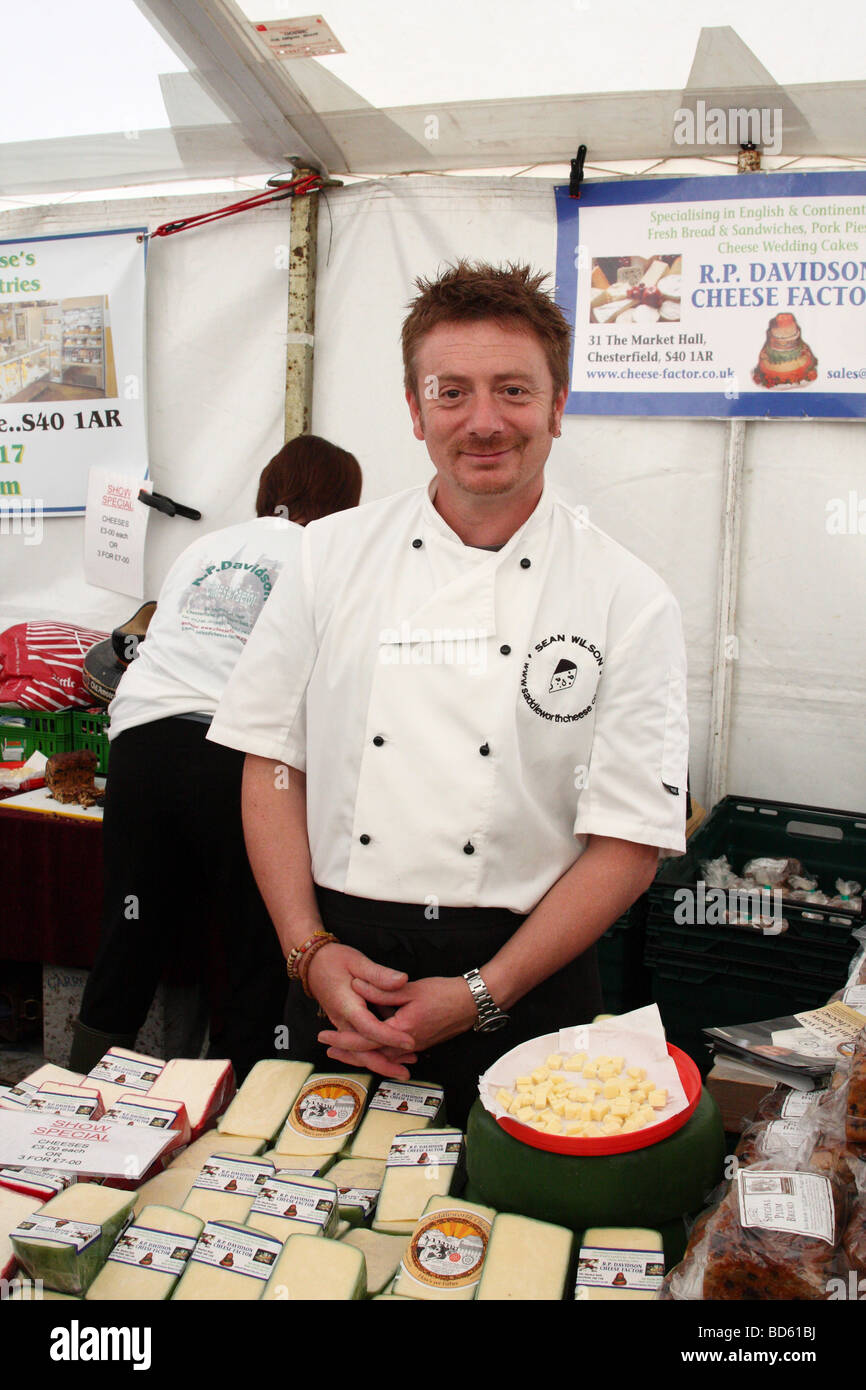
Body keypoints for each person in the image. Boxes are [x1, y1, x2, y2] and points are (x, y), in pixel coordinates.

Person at [209, 262, 689, 1125]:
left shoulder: (629, 597)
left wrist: (482, 993)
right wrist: (308, 951)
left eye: (513, 389)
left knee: (513, 1236)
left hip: (526, 979)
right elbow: (270, 764)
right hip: (341, 974)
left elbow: (628, 844)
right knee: (320, 1225)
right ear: (414, 406)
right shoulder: (328, 557)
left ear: (558, 405)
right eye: (452, 392)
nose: (484, 421)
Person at [69, 435, 363, 1079]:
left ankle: (78, 1098)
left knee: (129, 931)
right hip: (239, 757)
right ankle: (238, 1111)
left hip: (143, 744)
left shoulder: (202, 547)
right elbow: (337, 680)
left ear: (268, 489)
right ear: (345, 504)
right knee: (258, 941)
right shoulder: (329, 553)